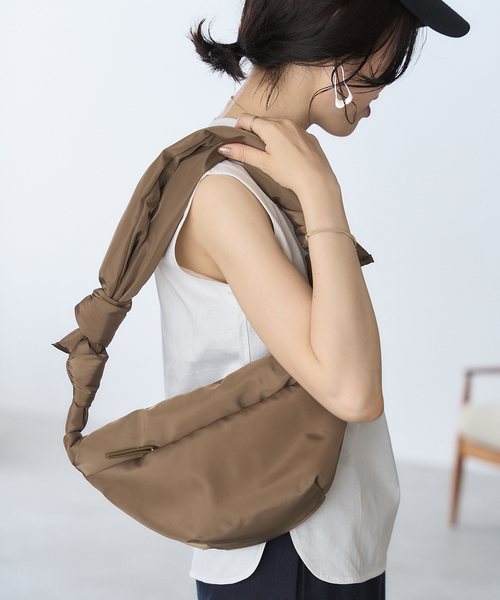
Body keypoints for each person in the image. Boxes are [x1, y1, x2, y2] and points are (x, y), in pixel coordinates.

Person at [154, 1, 469, 598]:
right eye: (388, 55)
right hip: (283, 545)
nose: (384, 88)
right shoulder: (225, 191)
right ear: (338, 47)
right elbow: (354, 392)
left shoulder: (266, 175)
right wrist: (324, 193)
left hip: (323, 538)